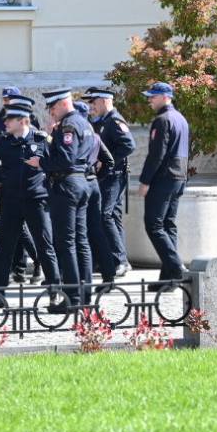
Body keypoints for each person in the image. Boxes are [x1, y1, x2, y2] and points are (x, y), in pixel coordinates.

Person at [0, 102, 61, 295]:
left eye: (10, 119)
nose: (5, 122)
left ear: (23, 121)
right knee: (5, 249)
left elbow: (55, 164)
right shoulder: (2, 143)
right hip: (11, 202)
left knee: (45, 246)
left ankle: (55, 290)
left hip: (37, 200)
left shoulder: (41, 140)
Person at [40, 87, 99, 308]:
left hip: (67, 185)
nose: (51, 112)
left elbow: (65, 159)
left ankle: (73, 297)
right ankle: (85, 296)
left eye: (53, 107)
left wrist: (41, 162)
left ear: (63, 103)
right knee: (81, 241)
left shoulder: (69, 125)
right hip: (82, 182)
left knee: (66, 243)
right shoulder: (85, 123)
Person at [138, 82, 190, 288]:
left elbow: (156, 155)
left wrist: (145, 181)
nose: (149, 100)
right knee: (168, 225)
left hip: (164, 178)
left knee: (154, 225)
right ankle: (169, 279)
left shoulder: (162, 120)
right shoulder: (180, 119)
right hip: (178, 177)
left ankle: (176, 268)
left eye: (153, 96)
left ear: (165, 97)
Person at [86, 87, 135, 284]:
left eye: (94, 102)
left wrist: (108, 161)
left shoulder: (114, 121)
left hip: (114, 176)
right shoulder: (104, 121)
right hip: (108, 175)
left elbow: (129, 145)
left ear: (105, 101)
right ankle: (117, 258)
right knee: (113, 216)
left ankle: (120, 259)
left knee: (105, 215)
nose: (92, 105)